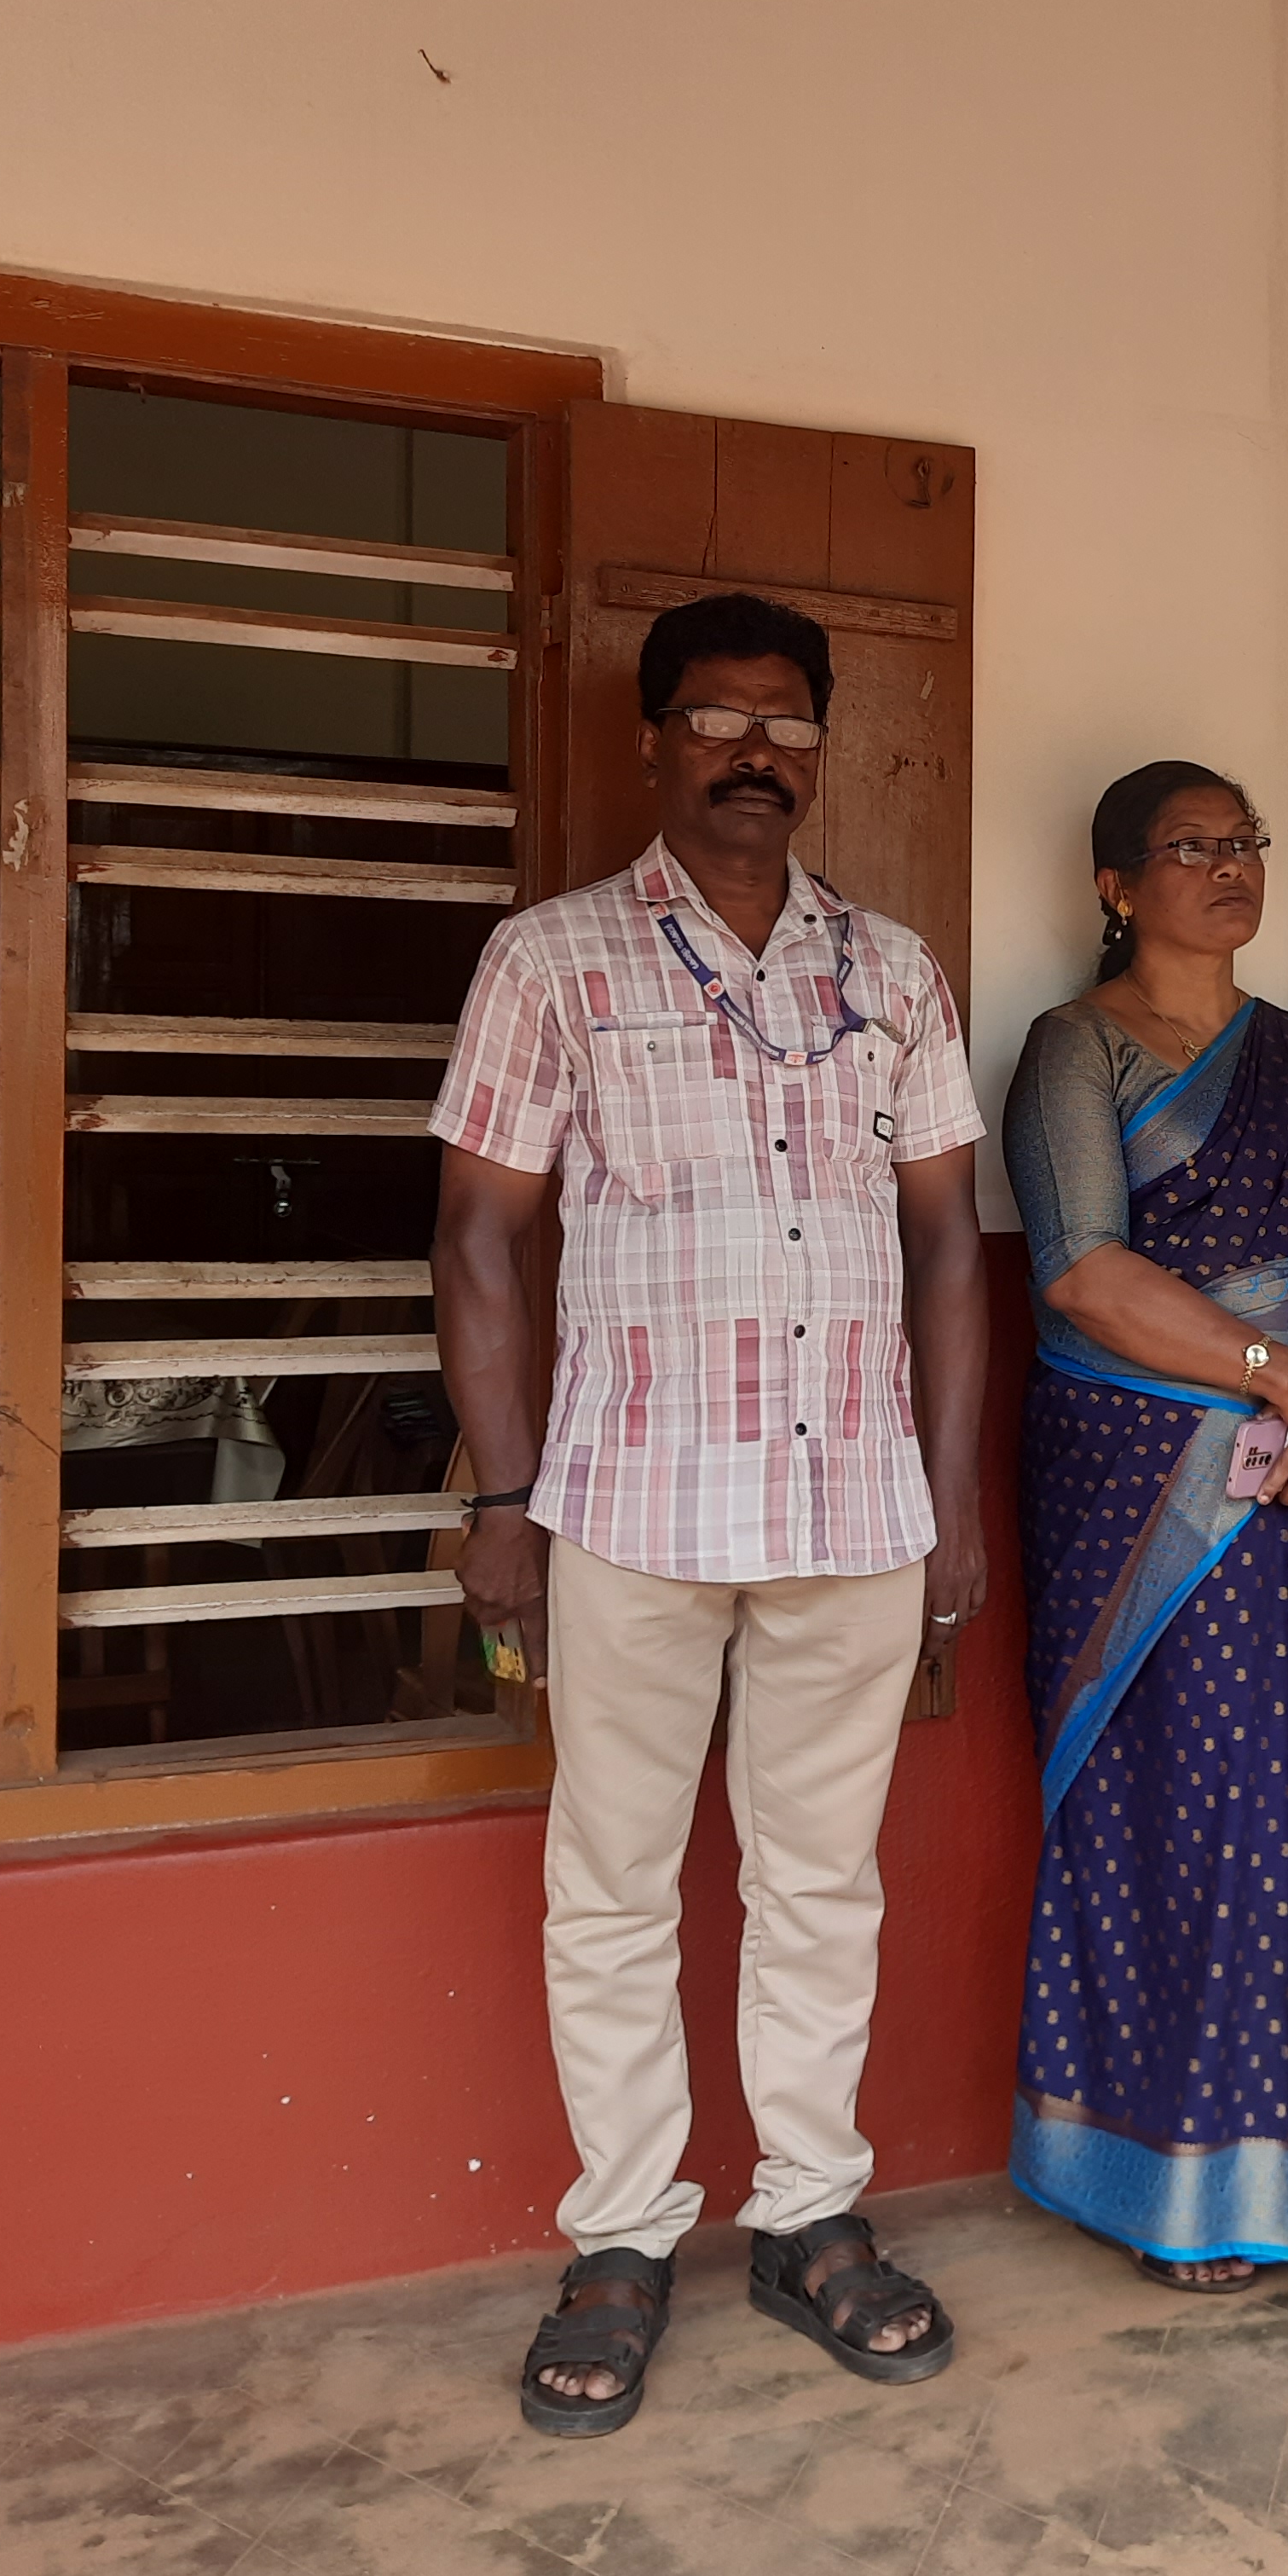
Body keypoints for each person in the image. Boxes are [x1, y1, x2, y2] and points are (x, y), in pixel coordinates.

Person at [433, 590, 989, 2436]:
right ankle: (620, 2237)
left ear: (819, 748)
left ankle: (809, 2214)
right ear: (653, 741)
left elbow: (946, 1246)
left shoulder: (893, 971)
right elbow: (479, 1235)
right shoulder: (552, 960)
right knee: (610, 1884)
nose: (754, 752)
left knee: (820, 1884)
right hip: (628, 1501)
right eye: (715, 718)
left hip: (852, 1505)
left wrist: (949, 1497)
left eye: (785, 723)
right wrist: (503, 1496)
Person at [999, 761, 1288, 2289]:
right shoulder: (1077, 1049)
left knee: (1287, 1812)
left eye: (1244, 842)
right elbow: (1082, 1271)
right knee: (1169, 1808)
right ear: (1117, 885)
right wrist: (1284, 1378)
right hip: (1134, 1490)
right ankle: (1161, 2178)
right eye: (1190, 846)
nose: (1229, 866)